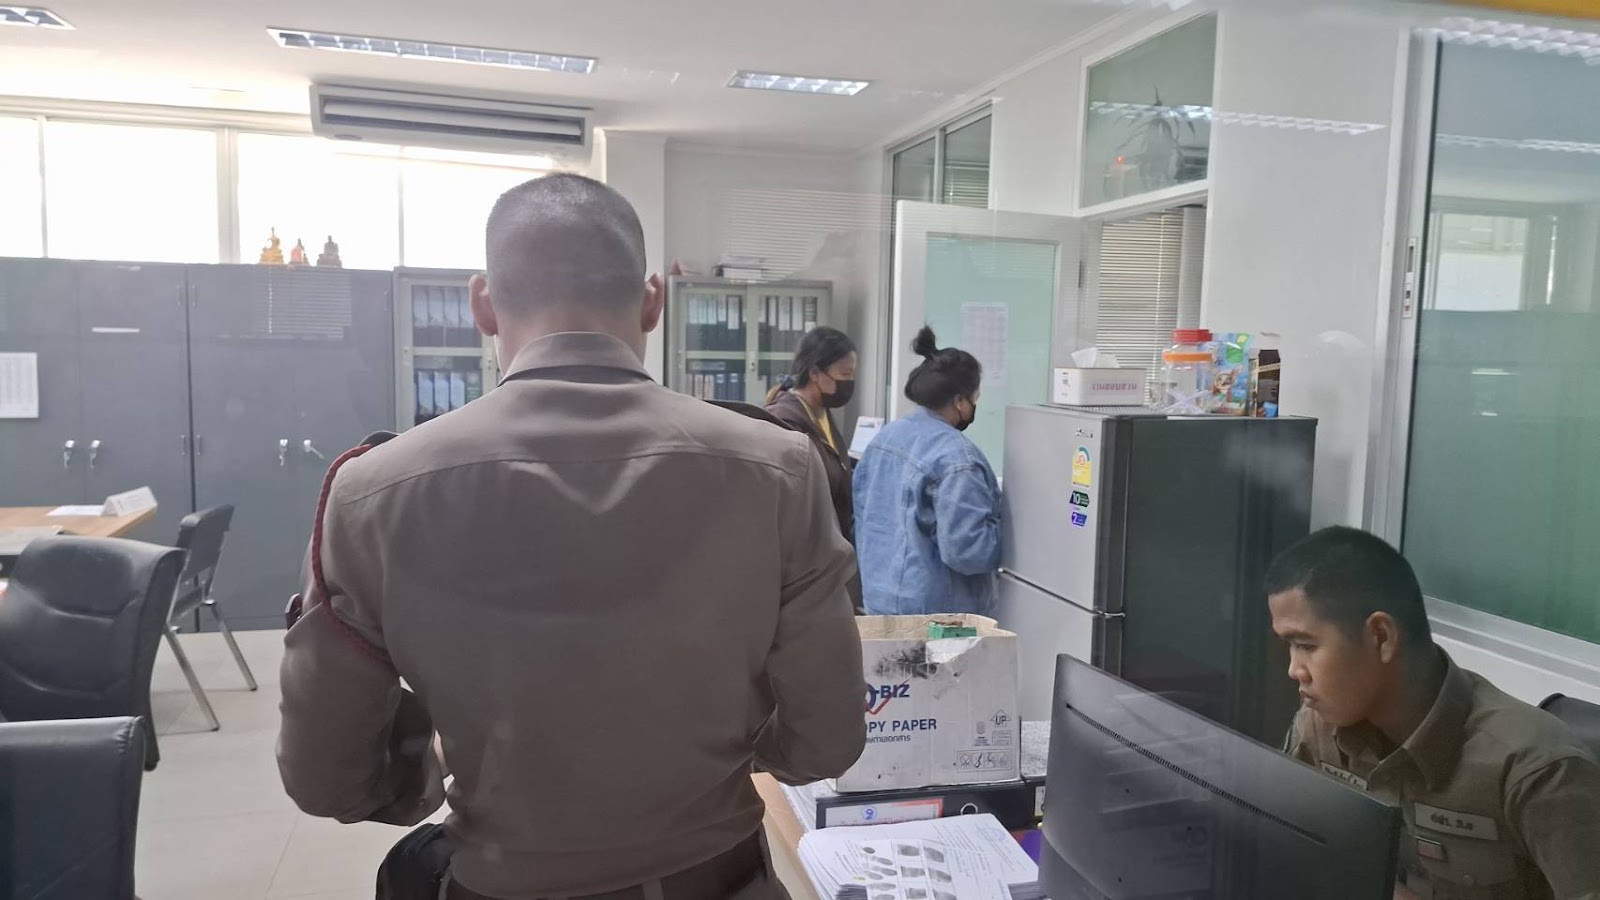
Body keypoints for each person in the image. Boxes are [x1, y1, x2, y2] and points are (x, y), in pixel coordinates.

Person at [277, 173, 866, 900]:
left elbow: (328, 776)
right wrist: (734, 754)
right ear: (652, 302)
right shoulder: (779, 467)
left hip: (499, 882)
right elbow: (827, 737)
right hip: (720, 879)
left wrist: (437, 771)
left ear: (482, 304)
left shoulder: (372, 491)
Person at [1267, 526, 1600, 900]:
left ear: (1381, 637)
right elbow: (1288, 853)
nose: (1294, 670)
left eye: (1306, 645)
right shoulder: (1317, 731)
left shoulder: (1536, 770)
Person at [851, 326, 1001, 616]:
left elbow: (863, 518)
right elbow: (968, 552)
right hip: (937, 619)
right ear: (960, 401)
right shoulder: (958, 459)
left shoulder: (884, 439)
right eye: (975, 398)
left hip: (879, 602)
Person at [764, 326, 858, 543]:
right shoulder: (785, 420)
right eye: (845, 374)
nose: (850, 382)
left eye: (853, 374)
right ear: (815, 373)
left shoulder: (821, 412)